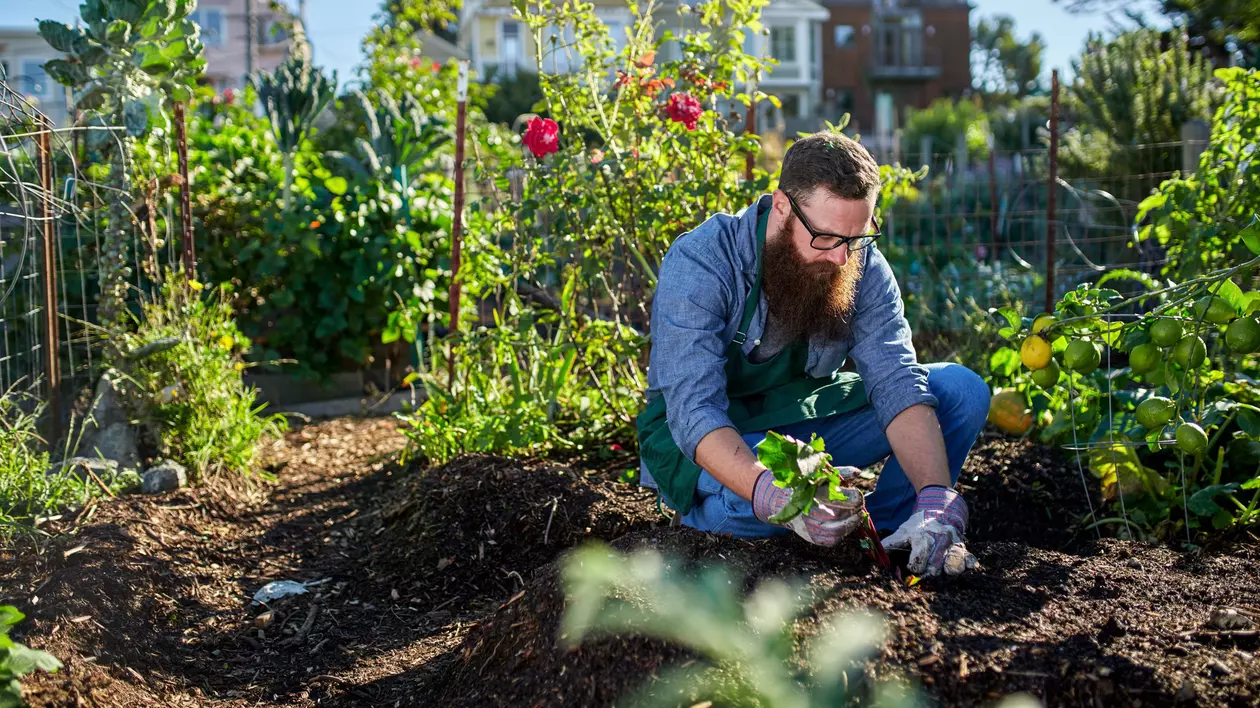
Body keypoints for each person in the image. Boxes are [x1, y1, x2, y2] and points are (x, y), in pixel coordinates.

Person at [635, 132, 990, 577]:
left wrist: (936, 496)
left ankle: (892, 536)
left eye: (856, 237)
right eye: (825, 237)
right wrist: (770, 492)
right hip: (709, 438)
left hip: (800, 422)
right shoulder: (704, 261)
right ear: (782, 206)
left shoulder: (859, 262)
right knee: (752, 507)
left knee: (960, 391)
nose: (842, 258)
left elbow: (896, 379)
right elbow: (693, 411)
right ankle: (705, 524)